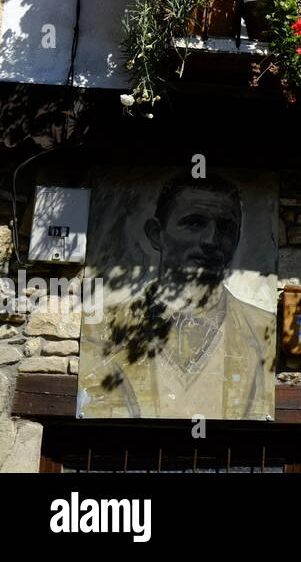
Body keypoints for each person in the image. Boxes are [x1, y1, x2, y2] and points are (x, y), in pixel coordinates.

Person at [78, 174, 276, 420]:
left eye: (225, 228)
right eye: (194, 223)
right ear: (156, 234)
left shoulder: (263, 330)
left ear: (236, 238)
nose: (210, 240)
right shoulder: (101, 331)